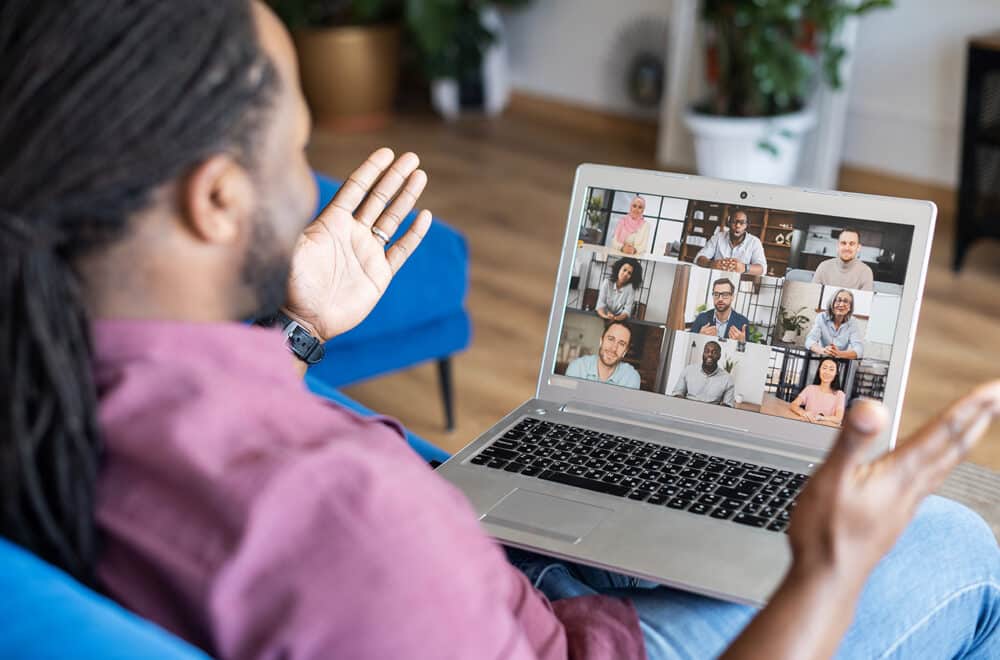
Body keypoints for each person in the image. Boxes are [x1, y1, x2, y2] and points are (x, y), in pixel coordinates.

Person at [2, 3, 998, 659]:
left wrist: (294, 333)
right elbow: (364, 548)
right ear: (214, 200)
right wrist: (828, 567)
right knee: (956, 544)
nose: (305, 174)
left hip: (487, 576)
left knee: (621, 513)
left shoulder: (40, 379)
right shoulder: (345, 524)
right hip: (561, 636)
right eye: (293, 148)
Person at [565, 321, 641, 389]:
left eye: (621, 344)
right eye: (610, 339)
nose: (614, 348)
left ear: (625, 351)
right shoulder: (578, 367)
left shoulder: (631, 377)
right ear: (601, 341)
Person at [694, 209, 767, 275]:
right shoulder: (718, 237)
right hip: (716, 278)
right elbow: (698, 258)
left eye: (742, 223)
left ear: (747, 225)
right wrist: (711, 264)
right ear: (729, 223)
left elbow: (762, 269)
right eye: (734, 222)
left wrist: (744, 268)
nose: (737, 225)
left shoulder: (754, 242)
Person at [670, 341, 736, 406]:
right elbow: (677, 393)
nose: (710, 354)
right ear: (703, 354)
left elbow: (727, 405)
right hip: (687, 408)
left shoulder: (728, 379)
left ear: (719, 356)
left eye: (714, 352)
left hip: (711, 413)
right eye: (707, 351)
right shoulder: (688, 370)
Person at [806, 288, 865, 359]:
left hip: (840, 361)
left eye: (846, 301)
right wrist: (823, 350)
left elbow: (859, 349)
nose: (841, 304)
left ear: (850, 307)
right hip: (821, 358)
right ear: (832, 303)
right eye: (838, 300)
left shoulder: (853, 322)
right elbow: (810, 340)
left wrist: (838, 353)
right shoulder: (821, 317)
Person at [689, 277, 751, 342]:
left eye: (725, 294)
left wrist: (742, 343)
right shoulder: (701, 318)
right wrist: (699, 337)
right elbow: (689, 343)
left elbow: (746, 350)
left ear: (732, 297)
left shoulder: (743, 322)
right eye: (716, 294)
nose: (720, 299)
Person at [789, 358, 847, 425]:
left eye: (831, 369)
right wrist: (803, 413)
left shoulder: (839, 394)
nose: (827, 372)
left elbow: (838, 418)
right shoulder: (810, 389)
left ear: (836, 373)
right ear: (819, 369)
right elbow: (793, 404)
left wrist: (821, 418)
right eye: (824, 368)